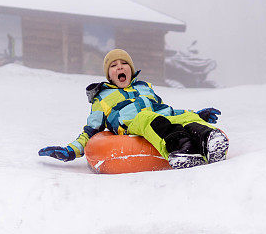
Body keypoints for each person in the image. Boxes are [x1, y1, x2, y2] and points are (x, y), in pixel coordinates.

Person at [38, 48, 228, 169]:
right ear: (109, 75)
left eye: (124, 64)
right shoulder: (101, 97)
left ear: (131, 69)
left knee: (182, 117)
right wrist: (71, 151)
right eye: (114, 65)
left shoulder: (144, 87)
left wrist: (196, 115)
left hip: (159, 116)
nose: (120, 67)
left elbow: (165, 109)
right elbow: (91, 130)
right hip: (134, 125)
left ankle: (208, 140)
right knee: (147, 118)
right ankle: (181, 149)